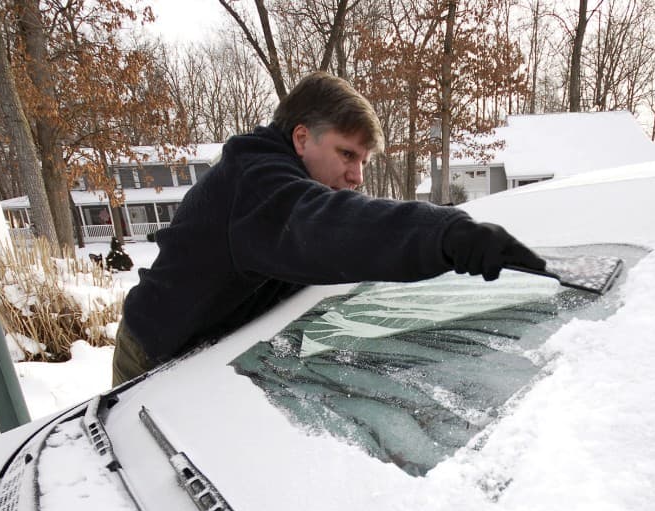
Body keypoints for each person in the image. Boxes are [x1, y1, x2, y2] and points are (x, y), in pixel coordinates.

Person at [112, 71, 543, 385]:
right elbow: (329, 226)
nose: (356, 176)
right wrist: (447, 234)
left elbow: (335, 247)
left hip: (207, 348)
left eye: (362, 162)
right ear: (302, 138)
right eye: (347, 154)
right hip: (156, 355)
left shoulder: (269, 179)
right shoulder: (258, 184)